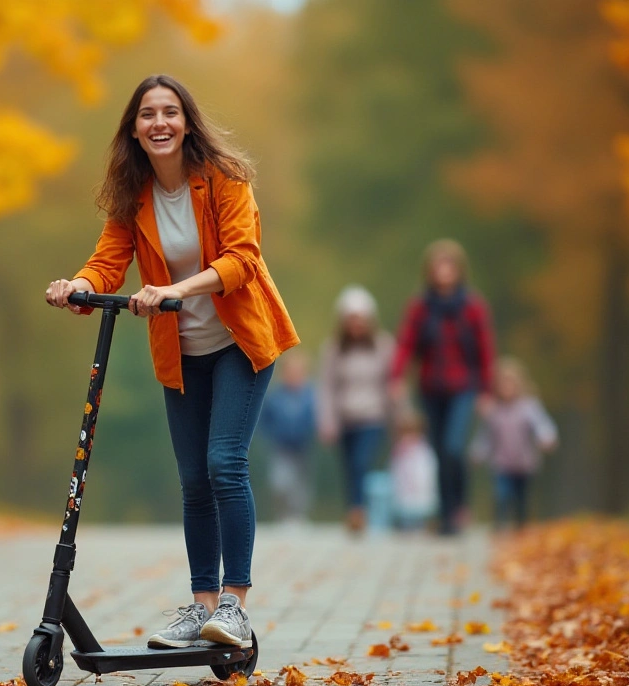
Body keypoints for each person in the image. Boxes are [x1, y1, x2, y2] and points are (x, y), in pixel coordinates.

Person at [45, 75, 298, 650]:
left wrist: (175, 289)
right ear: (133, 130)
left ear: (187, 123)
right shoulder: (134, 197)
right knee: (192, 483)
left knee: (223, 465)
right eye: (147, 115)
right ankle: (202, 606)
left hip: (241, 342)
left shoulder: (226, 182)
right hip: (182, 354)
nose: (159, 123)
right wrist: (75, 286)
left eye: (170, 112)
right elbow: (107, 266)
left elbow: (242, 261)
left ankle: (235, 607)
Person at [390, 239, 496, 536]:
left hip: (463, 387)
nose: (444, 272)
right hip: (431, 386)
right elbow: (406, 344)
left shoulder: (473, 307)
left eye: (449, 266)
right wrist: (397, 378)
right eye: (438, 266)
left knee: (453, 448)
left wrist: (487, 391)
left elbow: (486, 351)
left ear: (459, 270)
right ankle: (447, 514)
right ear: (430, 271)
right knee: (437, 452)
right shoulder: (421, 307)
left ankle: (459, 506)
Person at [315, 285, 394, 532]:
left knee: (361, 462)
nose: (356, 325)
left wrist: (401, 416)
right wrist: (326, 421)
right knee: (349, 467)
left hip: (373, 416)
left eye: (360, 319)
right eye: (351, 319)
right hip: (345, 417)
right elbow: (326, 387)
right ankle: (353, 509)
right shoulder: (334, 348)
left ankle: (359, 509)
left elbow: (393, 383)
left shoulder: (383, 345)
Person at [471, 358, 557, 530]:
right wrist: (478, 452)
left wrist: (547, 437)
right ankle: (499, 526)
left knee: (521, 500)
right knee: (501, 496)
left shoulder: (529, 407)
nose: (506, 388)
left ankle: (521, 527)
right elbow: (486, 436)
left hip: (524, 464)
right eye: (502, 384)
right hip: (501, 464)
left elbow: (542, 425)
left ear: (519, 385)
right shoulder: (494, 410)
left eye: (510, 383)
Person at [259, 353, 316, 524]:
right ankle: (282, 514)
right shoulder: (275, 396)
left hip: (303, 447)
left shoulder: (310, 396)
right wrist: (272, 434)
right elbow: (264, 419)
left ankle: (297, 516)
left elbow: (316, 419)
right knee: (280, 482)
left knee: (301, 483)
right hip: (281, 447)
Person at [388, 410, 438, 532]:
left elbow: (427, 469)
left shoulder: (423, 450)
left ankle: (420, 524)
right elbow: (393, 469)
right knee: (405, 507)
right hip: (403, 487)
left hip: (418, 487)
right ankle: (406, 524)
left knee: (419, 506)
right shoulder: (398, 451)